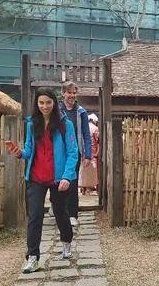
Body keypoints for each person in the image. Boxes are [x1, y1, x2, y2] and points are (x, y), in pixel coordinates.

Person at [9, 88, 78, 273]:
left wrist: (67, 176)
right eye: (41, 103)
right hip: (36, 177)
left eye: (48, 102)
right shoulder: (32, 124)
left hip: (58, 178)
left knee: (60, 212)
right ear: (36, 104)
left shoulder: (65, 125)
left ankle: (66, 241)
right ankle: (32, 257)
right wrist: (20, 153)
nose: (45, 106)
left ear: (54, 103)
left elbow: (73, 152)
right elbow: (29, 150)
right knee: (35, 215)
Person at [59, 81, 92, 226]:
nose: (72, 96)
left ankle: (72, 214)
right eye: (69, 92)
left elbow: (86, 134)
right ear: (63, 93)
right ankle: (59, 209)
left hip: (75, 152)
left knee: (72, 183)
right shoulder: (57, 111)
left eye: (74, 93)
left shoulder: (81, 112)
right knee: (57, 181)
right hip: (59, 152)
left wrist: (88, 154)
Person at [79, 113, 100, 195]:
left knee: (83, 170)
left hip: (83, 152)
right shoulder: (95, 128)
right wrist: (97, 152)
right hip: (92, 153)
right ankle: (88, 188)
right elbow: (97, 141)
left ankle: (83, 188)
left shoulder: (83, 128)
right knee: (92, 172)